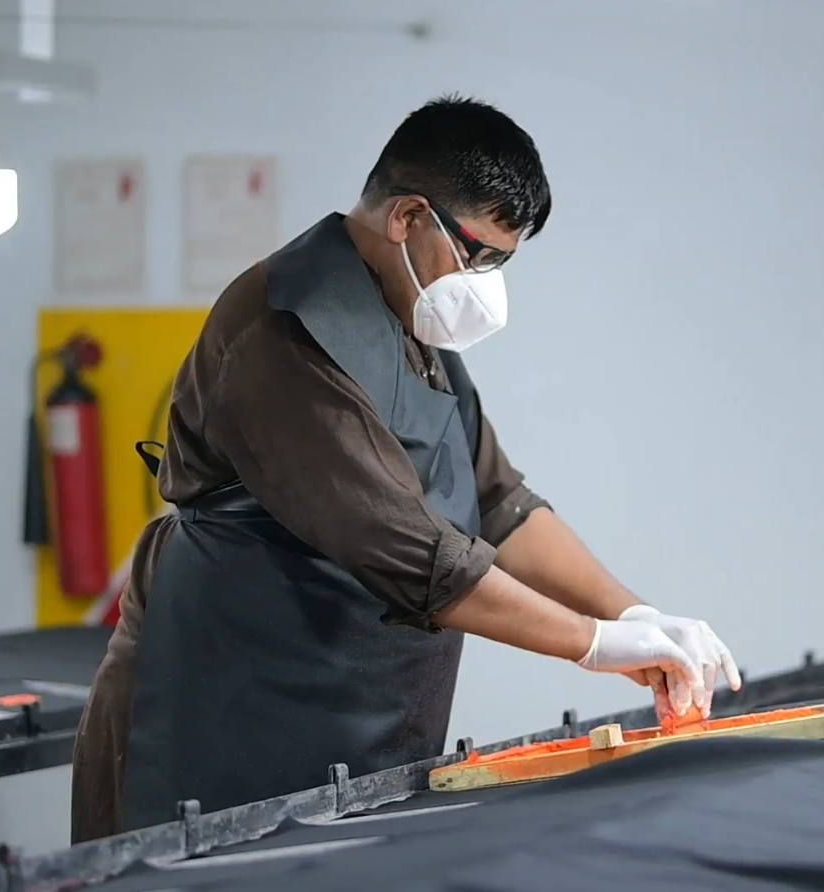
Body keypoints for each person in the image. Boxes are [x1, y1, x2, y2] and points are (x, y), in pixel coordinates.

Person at [71, 96, 740, 843]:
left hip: (353, 705)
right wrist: (593, 643)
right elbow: (418, 558)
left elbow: (500, 503)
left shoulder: (412, 322)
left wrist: (634, 616)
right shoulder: (289, 328)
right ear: (409, 217)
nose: (485, 282)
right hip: (229, 693)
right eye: (477, 255)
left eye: (502, 263)